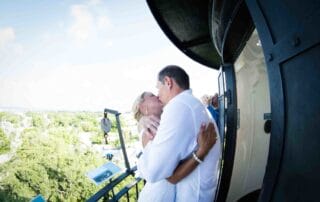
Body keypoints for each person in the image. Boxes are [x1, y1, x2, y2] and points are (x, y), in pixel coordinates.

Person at [137, 65, 221, 202]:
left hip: (193, 194)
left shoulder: (178, 106)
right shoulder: (190, 104)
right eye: (153, 94)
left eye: (158, 88)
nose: (157, 94)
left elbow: (155, 171)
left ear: (168, 82)